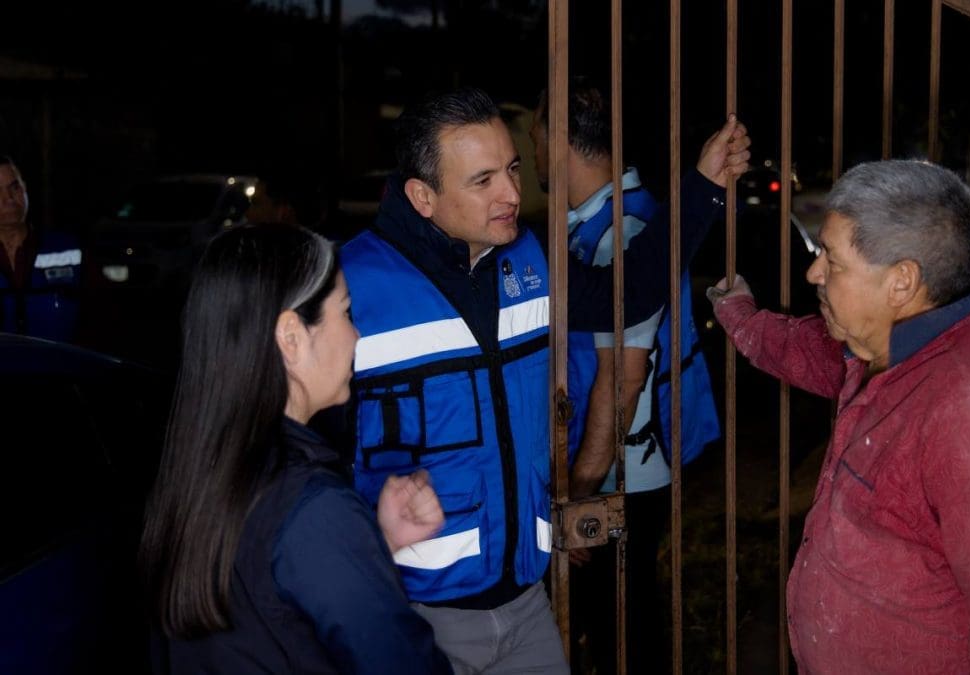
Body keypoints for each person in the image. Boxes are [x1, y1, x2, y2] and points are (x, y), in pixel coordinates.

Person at [342, 86, 749, 673]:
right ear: (422, 196)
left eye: (512, 167)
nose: (514, 192)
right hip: (416, 616)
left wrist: (703, 186)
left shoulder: (526, 258)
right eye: (484, 181)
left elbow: (629, 294)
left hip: (527, 605)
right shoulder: (350, 287)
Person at [709, 159, 970, 673]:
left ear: (901, 282)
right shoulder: (885, 348)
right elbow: (804, 349)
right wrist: (740, 316)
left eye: (831, 260)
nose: (814, 271)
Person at [139, 224, 452, 674]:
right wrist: (347, 541)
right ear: (291, 337)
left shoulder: (200, 470)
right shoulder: (313, 506)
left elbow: (264, 609)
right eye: (346, 313)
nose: (357, 336)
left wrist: (372, 546)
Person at [529, 80, 726, 675]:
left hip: (616, 476)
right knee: (616, 624)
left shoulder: (622, 231)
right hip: (618, 470)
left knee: (618, 634)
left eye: (535, 135)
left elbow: (622, 383)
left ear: (561, 138)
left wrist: (581, 494)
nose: (531, 151)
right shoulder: (604, 221)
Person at [0, 154, 82, 342]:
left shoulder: (67, 249)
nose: (9, 198)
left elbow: (104, 317)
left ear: (25, 188)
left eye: (14, 187)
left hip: (60, 369)